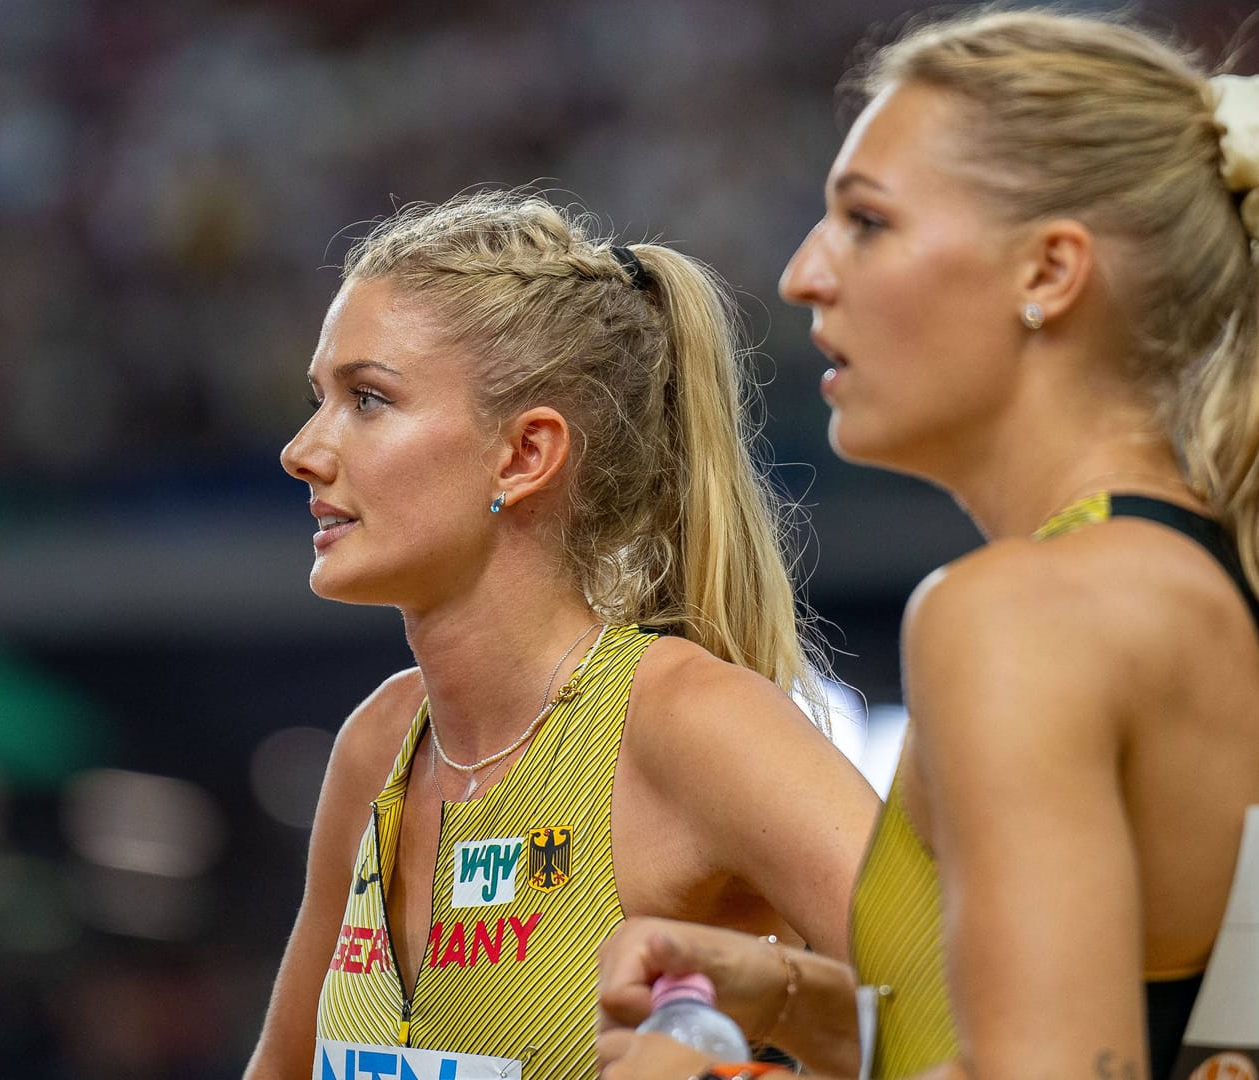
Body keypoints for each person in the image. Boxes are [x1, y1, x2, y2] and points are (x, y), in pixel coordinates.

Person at [598, 10, 1259, 1080]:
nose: (801, 273)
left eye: (867, 222)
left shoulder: (1016, 615)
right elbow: (1105, 1035)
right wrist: (795, 1006)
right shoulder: (1249, 589)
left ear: (1049, 272)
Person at [243, 190, 878, 1080]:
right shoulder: (377, 745)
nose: (303, 450)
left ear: (523, 455)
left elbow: (976, 1010)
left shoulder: (690, 723)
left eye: (369, 400)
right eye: (320, 399)